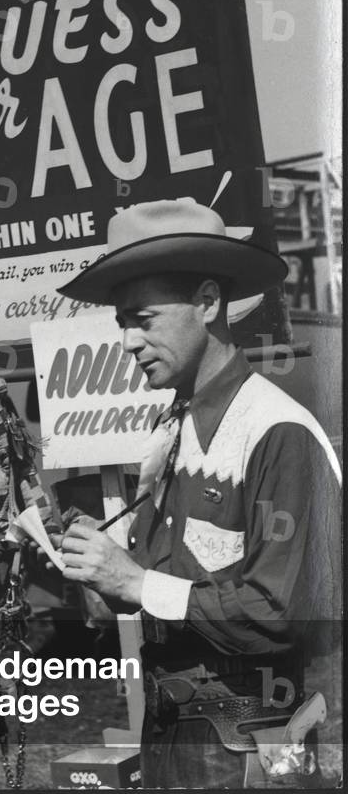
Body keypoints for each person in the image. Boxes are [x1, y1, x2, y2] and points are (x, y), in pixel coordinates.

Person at [55, 198, 341, 789]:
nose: (128, 342)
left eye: (144, 318)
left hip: (246, 751)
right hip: (176, 737)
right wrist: (102, 575)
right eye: (121, 324)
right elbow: (169, 589)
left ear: (208, 302)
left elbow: (285, 612)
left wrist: (135, 582)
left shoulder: (277, 431)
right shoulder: (173, 430)